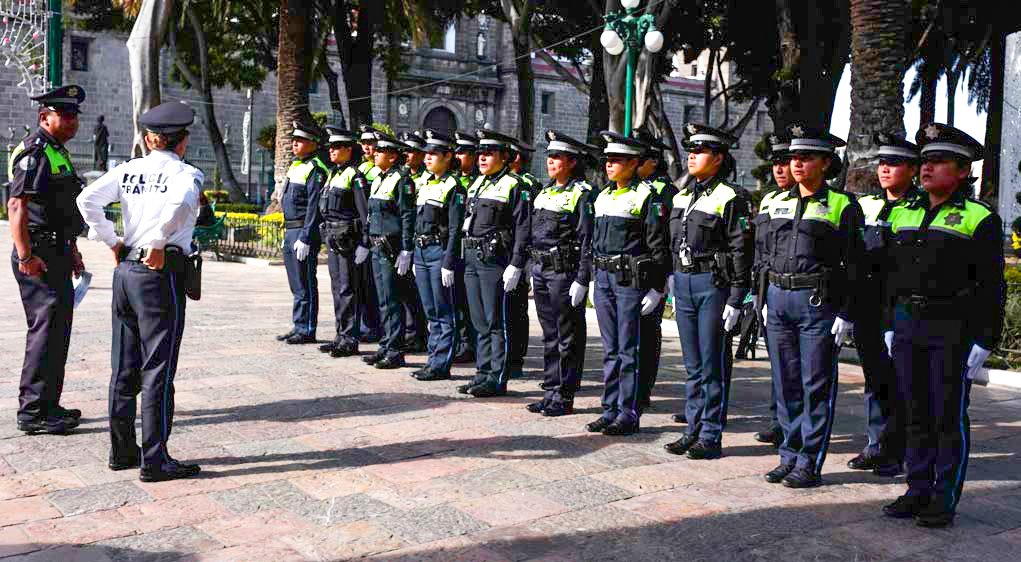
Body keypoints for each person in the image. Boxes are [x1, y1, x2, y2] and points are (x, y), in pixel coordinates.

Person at [881, 124, 1004, 528]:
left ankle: (943, 497)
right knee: (913, 410)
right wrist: (888, 321)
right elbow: (889, 275)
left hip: (950, 327)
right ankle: (917, 488)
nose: (927, 169)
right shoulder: (904, 211)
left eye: (938, 161)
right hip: (906, 324)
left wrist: (986, 339)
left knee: (947, 414)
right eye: (925, 161)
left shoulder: (979, 218)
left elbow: (991, 286)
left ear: (963, 170)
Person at [76, 101, 205, 481]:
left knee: (124, 365)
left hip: (126, 272)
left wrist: (112, 240)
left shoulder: (129, 169)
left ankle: (121, 451)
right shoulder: (187, 173)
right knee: (158, 367)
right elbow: (182, 203)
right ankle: (155, 458)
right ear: (182, 141)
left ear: (150, 139)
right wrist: (160, 241)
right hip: (157, 273)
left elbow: (87, 200)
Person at [759, 124, 862, 488]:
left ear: (826, 163)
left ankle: (809, 461)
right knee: (785, 383)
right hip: (779, 300)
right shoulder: (775, 201)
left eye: (806, 157)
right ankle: (788, 455)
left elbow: (855, 264)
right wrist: (762, 299)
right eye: (794, 157)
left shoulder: (842, 205)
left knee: (814, 384)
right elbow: (763, 255)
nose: (797, 163)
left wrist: (847, 312)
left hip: (817, 304)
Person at [662, 124, 753, 460]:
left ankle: (711, 434)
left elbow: (741, 249)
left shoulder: (730, 197)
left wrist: (737, 296)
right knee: (693, 364)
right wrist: (671, 279)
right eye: (691, 150)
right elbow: (673, 243)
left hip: (712, 286)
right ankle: (692, 428)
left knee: (712, 362)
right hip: (684, 282)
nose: (691, 156)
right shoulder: (682, 196)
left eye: (699, 151)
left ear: (718, 158)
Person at [8, 85, 87, 435]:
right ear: (45, 117)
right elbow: (16, 207)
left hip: (56, 251)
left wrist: (71, 251)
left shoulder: (58, 152)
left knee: (58, 332)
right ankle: (33, 411)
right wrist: (26, 256)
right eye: (65, 116)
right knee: (44, 331)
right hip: (37, 255)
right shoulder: (34, 152)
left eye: (75, 116)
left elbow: (62, 208)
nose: (72, 122)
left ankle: (49, 404)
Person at [586, 132, 669, 436]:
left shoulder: (647, 196)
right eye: (607, 160)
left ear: (634, 163)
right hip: (605, 278)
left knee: (628, 349)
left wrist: (657, 287)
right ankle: (609, 409)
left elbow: (658, 246)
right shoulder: (604, 195)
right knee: (610, 349)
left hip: (630, 281)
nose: (609, 165)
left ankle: (628, 412)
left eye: (617, 160)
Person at [846, 132, 917, 477]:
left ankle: (896, 450)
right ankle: (875, 445)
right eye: (883, 163)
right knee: (874, 380)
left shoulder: (918, 209)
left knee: (900, 382)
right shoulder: (866, 206)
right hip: (868, 307)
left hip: (901, 309)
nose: (885, 169)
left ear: (913, 170)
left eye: (895, 163)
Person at [524, 131, 595, 417]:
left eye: (557, 157)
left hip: (564, 272)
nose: (551, 162)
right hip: (542, 269)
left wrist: (582, 277)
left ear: (572, 162)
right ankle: (550, 389)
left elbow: (587, 239)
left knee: (567, 335)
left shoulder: (582, 193)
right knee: (549, 334)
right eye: (549, 157)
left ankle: (564, 395)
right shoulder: (545, 191)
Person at [457, 129, 531, 397]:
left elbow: (523, 227)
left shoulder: (515, 185)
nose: (482, 158)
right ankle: (482, 372)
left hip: (495, 260)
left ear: (505, 157)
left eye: (489, 153)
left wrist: (517, 263)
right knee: (478, 321)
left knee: (495, 321)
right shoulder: (478, 184)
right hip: (473, 258)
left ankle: (497, 376)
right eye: (480, 153)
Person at [409, 130, 467, 381]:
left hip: (438, 251)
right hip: (421, 252)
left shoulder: (453, 186)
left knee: (444, 311)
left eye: (434, 154)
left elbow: (455, 228)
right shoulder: (427, 183)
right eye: (427, 154)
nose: (428, 158)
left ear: (447, 156)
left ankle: (441, 363)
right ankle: (432, 359)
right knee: (430, 310)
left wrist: (449, 261)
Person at [750, 133, 794, 447]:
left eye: (785, 163)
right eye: (775, 163)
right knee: (778, 362)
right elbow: (760, 249)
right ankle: (777, 419)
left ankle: (795, 425)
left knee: (798, 367)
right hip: (769, 286)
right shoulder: (769, 200)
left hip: (799, 290)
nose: (779, 169)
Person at [633, 128, 679, 411]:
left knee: (646, 334)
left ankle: (642, 387)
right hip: (628, 272)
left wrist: (661, 281)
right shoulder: (632, 188)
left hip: (650, 272)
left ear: (651, 161)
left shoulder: (664, 191)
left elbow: (665, 239)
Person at [361, 132, 416, 369]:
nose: (374, 153)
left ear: (393, 157)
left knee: (392, 299)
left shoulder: (402, 180)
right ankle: (385, 345)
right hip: (376, 246)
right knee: (382, 298)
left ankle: (395, 350)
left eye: (380, 151)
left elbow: (406, 216)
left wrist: (406, 249)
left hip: (390, 247)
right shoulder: (379, 178)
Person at [318, 126, 370, 358]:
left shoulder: (355, 175)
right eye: (330, 147)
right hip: (333, 237)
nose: (332, 151)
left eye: (337, 147)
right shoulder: (334, 173)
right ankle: (340, 335)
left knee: (348, 289)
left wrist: (364, 243)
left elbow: (363, 212)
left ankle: (350, 338)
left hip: (348, 240)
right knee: (337, 288)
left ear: (349, 149)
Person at [276, 122, 329, 344]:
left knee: (305, 281)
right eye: (294, 140)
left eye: (299, 141)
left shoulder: (316, 168)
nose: (294, 144)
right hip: (291, 229)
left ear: (312, 144)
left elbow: (313, 206)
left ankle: (307, 328)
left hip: (302, 231)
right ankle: (298, 324)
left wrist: (306, 236)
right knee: (296, 283)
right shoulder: (296, 165)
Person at [504, 138, 538, 380]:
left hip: (517, 256)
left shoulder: (525, 185)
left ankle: (515, 359)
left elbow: (527, 226)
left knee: (516, 310)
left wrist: (524, 262)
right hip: (501, 258)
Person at [452, 131, 481, 365]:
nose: (457, 156)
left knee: (472, 301)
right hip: (457, 247)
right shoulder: (453, 180)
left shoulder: (476, 183)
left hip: (473, 248)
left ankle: (470, 344)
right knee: (457, 299)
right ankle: (460, 341)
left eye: (462, 152)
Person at [398, 131, 428, 353]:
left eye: (411, 151)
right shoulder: (402, 176)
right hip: (405, 240)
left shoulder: (428, 178)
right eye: (404, 151)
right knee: (406, 291)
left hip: (424, 240)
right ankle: (410, 332)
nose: (406, 155)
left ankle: (420, 334)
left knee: (422, 293)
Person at [356, 125, 383, 343]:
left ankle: (375, 326)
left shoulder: (380, 172)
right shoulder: (362, 169)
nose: (367, 147)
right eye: (364, 143)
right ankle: (366, 324)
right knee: (362, 284)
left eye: (371, 143)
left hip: (375, 233)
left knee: (376, 285)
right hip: (360, 233)